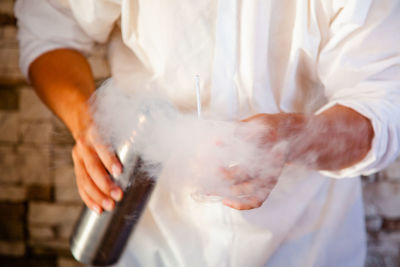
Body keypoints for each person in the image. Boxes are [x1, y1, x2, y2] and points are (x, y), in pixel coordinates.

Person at [15, 0, 400, 266]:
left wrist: (293, 138)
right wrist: (89, 124)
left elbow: (383, 105)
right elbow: (51, 26)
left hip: (306, 248)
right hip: (148, 241)